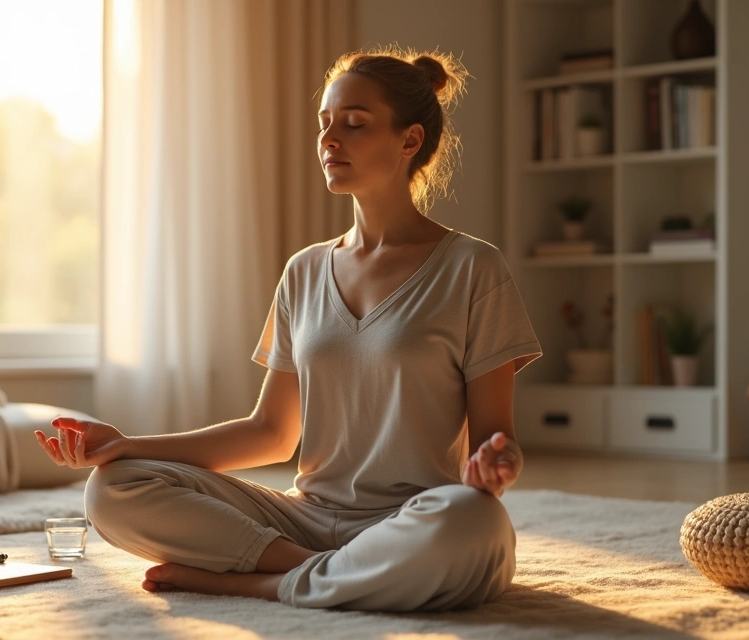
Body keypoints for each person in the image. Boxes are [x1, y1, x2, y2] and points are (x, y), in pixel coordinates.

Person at [35, 45, 542, 612]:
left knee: (476, 523)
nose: (329, 140)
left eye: (353, 125)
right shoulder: (304, 271)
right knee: (111, 489)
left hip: (415, 519)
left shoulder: (474, 268)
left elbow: (500, 440)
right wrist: (129, 446)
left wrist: (497, 466)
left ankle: (250, 582)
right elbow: (271, 433)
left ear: (410, 141)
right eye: (325, 124)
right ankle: (326, 574)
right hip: (301, 521)